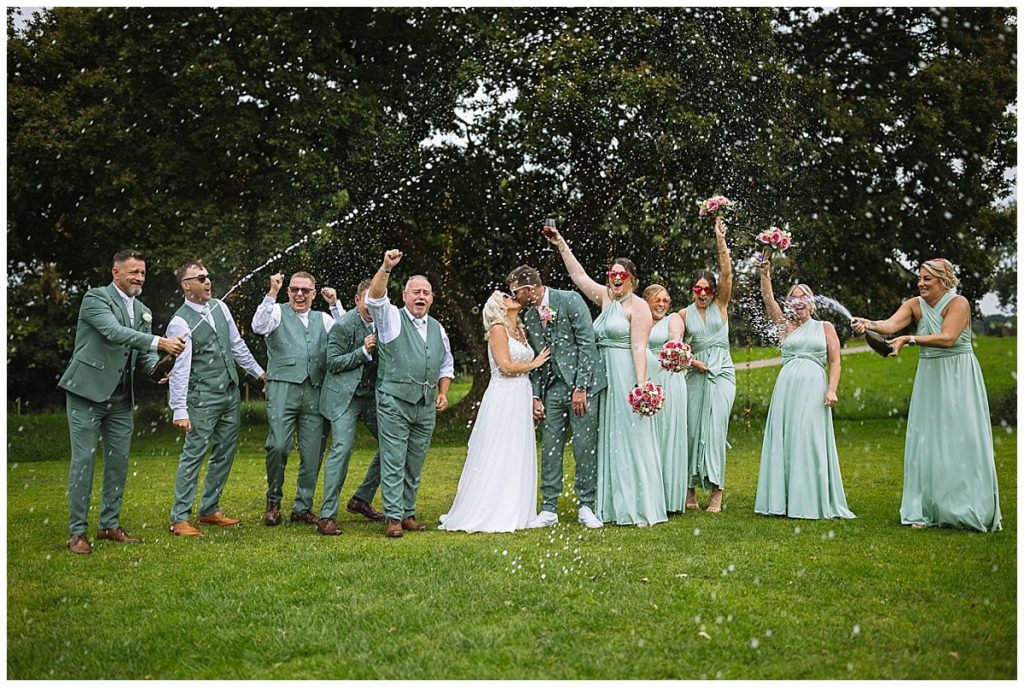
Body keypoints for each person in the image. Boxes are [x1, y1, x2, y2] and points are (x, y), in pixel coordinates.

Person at [852, 258, 1001, 532]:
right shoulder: (914, 305)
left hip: (958, 375)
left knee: (960, 438)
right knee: (927, 438)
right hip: (929, 376)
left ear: (943, 280)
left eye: (927, 279)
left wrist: (910, 339)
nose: (920, 283)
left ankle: (966, 506)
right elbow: (888, 325)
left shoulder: (959, 303)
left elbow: (947, 338)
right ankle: (924, 508)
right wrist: (867, 323)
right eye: (919, 278)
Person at [59, 249, 186, 554]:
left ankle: (109, 526)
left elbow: (143, 355)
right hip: (86, 391)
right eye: (133, 272)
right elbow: (113, 332)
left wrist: (156, 370)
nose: (139, 278)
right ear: (116, 273)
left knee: (118, 463)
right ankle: (77, 533)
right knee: (84, 461)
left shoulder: (143, 309)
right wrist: (159, 341)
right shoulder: (95, 298)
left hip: (119, 399)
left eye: (142, 273)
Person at [545, 229, 666, 527]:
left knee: (630, 437)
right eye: (612, 273)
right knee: (605, 439)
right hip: (601, 377)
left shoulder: (638, 306)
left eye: (621, 274)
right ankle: (607, 504)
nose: (615, 278)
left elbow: (638, 346)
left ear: (632, 279)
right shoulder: (604, 298)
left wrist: (640, 385)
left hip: (624, 373)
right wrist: (562, 244)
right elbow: (578, 277)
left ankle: (637, 505)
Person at [166, 261, 267, 537]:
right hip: (202, 398)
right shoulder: (179, 321)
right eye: (200, 278)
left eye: (208, 276)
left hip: (229, 393)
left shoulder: (220, 307)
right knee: (194, 454)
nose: (207, 281)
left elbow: (236, 346)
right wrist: (179, 409)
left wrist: (260, 374)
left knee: (225, 451)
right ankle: (179, 517)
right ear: (186, 285)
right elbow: (179, 369)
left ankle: (209, 509)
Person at [439, 291, 550, 532]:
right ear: (498, 305)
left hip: (521, 393)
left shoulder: (519, 330)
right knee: (500, 449)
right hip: (504, 395)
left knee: (517, 449)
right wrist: (535, 363)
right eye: (506, 296)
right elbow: (506, 367)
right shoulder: (498, 328)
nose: (512, 297)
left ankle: (517, 507)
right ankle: (493, 508)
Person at [507, 264, 606, 529]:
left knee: (585, 447)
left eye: (515, 290)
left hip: (583, 388)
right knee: (550, 448)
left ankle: (586, 505)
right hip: (552, 389)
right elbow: (538, 359)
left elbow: (587, 344)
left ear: (530, 288)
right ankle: (549, 507)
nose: (513, 296)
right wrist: (536, 397)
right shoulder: (529, 317)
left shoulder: (570, 300)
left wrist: (581, 387)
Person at [754, 262, 855, 520]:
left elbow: (835, 361)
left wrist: (832, 389)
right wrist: (765, 275)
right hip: (786, 389)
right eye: (792, 298)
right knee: (786, 438)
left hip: (813, 387)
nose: (797, 302)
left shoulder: (825, 327)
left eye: (802, 297)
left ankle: (809, 499)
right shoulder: (785, 325)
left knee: (808, 438)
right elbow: (768, 300)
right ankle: (783, 500)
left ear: (811, 302)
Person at [366, 249, 455, 538]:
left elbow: (446, 364)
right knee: (394, 458)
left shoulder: (439, 328)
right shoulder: (391, 318)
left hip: (425, 404)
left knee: (414, 461)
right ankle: (393, 517)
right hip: (394, 399)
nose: (421, 297)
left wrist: (443, 392)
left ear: (431, 299)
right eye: (415, 291)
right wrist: (386, 267)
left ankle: (407, 513)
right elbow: (375, 297)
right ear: (405, 296)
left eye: (426, 293)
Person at [252, 271, 344, 526]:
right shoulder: (277, 312)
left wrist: (335, 305)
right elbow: (258, 326)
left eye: (305, 290)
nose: (299, 294)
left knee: (313, 452)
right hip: (283, 387)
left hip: (315, 390)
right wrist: (271, 293)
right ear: (288, 291)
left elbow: (348, 333)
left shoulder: (323, 319)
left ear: (314, 294)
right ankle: (273, 499)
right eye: (294, 289)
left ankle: (302, 507)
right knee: (278, 445)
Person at [315, 279, 387, 536]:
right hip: (344, 397)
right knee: (342, 449)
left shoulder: (385, 323)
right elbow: (331, 362)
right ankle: (326, 516)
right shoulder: (343, 325)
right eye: (366, 300)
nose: (371, 305)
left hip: (371, 397)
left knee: (393, 444)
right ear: (357, 300)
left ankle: (361, 499)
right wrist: (363, 352)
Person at [681, 216, 736, 513]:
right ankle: (690, 490)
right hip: (695, 374)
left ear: (714, 292)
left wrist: (720, 240)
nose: (702, 294)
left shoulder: (721, 306)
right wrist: (691, 360)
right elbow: (671, 346)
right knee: (691, 431)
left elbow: (727, 274)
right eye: (697, 289)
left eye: (707, 289)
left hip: (722, 374)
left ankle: (716, 492)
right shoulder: (682, 314)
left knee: (715, 430)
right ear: (692, 290)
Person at [643, 284, 689, 514]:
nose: (662, 304)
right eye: (657, 300)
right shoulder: (639, 320)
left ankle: (669, 498)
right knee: (648, 437)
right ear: (647, 301)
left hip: (669, 380)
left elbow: (675, 337)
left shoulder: (673, 319)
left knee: (668, 436)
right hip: (646, 383)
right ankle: (650, 494)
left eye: (666, 300)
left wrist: (675, 348)